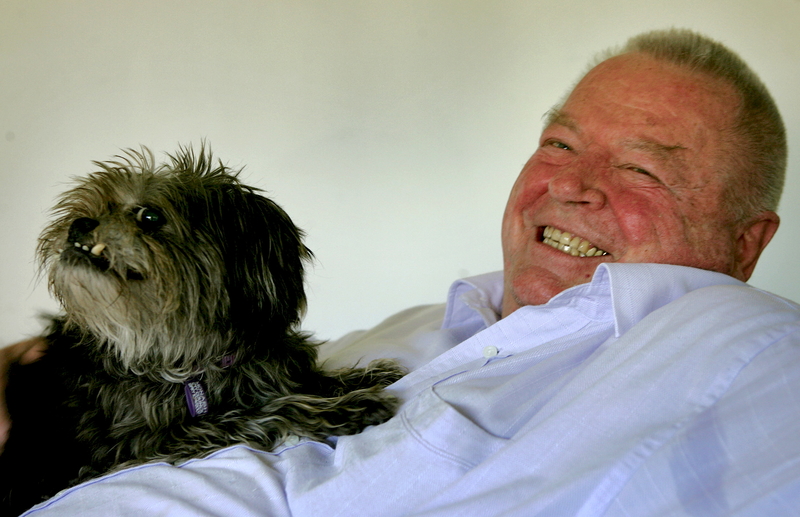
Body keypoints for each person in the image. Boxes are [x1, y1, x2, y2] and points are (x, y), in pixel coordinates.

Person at [3, 28, 799, 516]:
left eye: (643, 170)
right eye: (558, 144)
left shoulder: (756, 359)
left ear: (746, 243)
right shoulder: (422, 325)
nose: (572, 183)